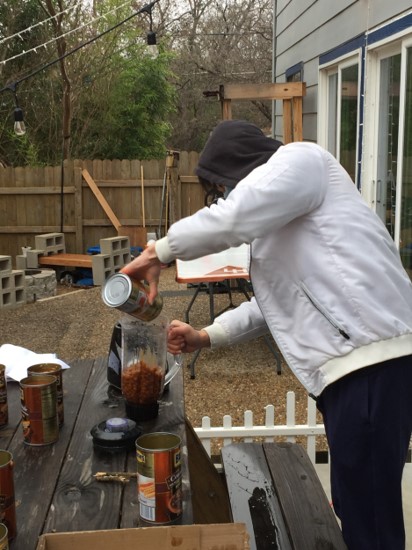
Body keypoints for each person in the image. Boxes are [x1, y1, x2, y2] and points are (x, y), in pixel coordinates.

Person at [121, 119, 412, 550]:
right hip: (356, 372)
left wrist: (159, 252)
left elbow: (234, 218)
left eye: (222, 188)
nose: (223, 198)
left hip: (372, 362)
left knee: (370, 522)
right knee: (357, 505)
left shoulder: (302, 160)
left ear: (240, 169)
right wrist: (206, 335)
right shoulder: (283, 227)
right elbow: (271, 307)